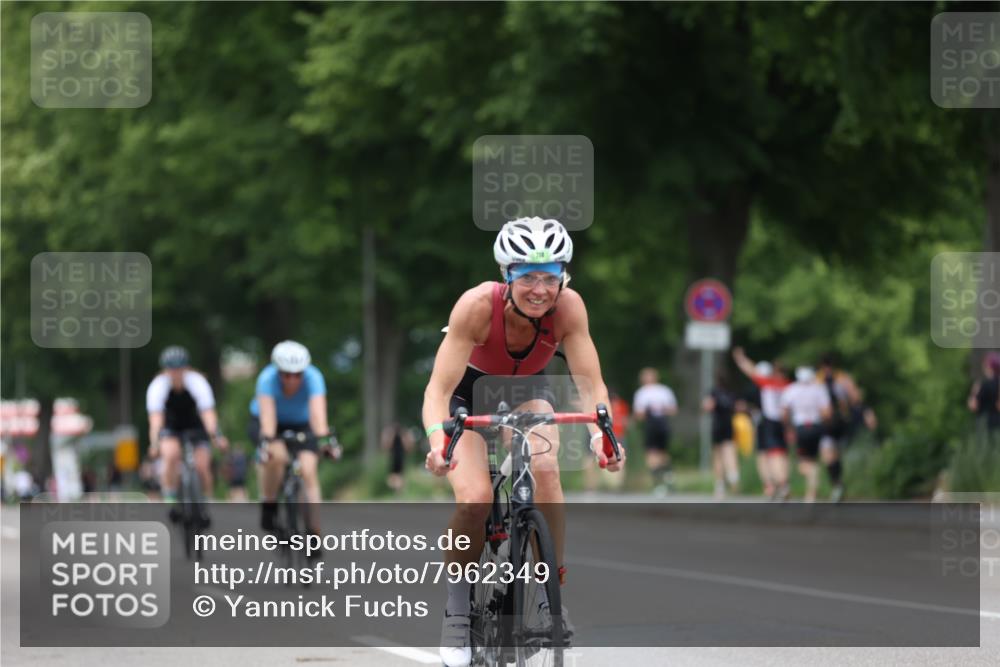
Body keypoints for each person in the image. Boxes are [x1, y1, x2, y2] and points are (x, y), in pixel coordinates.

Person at [422, 217, 625, 667]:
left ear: (563, 277)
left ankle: (551, 593)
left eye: (549, 278)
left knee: (548, 469)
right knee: (474, 499)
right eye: (527, 277)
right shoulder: (475, 306)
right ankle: (457, 610)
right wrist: (439, 441)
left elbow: (591, 384)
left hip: (528, 391)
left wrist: (601, 436)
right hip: (467, 396)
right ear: (506, 276)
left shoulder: (569, 308)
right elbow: (436, 391)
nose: (539, 289)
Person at [250, 340, 336, 544]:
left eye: (298, 374)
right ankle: (269, 504)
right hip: (269, 423)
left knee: (308, 469)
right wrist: (268, 442)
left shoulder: (314, 377)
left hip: (302, 424)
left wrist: (325, 441)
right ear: (277, 370)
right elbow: (268, 420)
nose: (292, 380)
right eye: (286, 374)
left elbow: (318, 416)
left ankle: (314, 531)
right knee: (277, 457)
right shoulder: (266, 379)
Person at [146, 345, 228, 525]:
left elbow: (208, 414)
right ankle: (171, 498)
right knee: (170, 455)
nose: (176, 373)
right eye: (172, 369)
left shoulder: (197, 382)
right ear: (166, 370)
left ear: (186, 368)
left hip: (195, 424)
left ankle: (205, 501)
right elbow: (156, 420)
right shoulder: (158, 386)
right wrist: (154, 444)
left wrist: (216, 436)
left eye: (179, 369)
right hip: (171, 425)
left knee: (202, 465)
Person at [732, 348, 791, 500]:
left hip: (768, 421)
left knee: (771, 455)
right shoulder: (787, 384)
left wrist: (741, 358)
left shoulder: (767, 383)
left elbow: (751, 371)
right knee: (782, 454)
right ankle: (781, 483)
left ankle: (778, 484)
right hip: (783, 422)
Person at [779, 366, 832, 502]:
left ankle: (811, 491)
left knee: (803, 464)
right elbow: (827, 413)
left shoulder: (791, 389)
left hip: (801, 428)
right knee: (812, 461)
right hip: (816, 426)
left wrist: (788, 427)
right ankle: (811, 493)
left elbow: (784, 412)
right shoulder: (819, 389)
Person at [817, 354, 860, 501]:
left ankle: (837, 484)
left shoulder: (818, 380)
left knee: (830, 455)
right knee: (832, 455)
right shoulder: (842, 378)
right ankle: (838, 484)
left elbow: (855, 397)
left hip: (832, 423)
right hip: (838, 422)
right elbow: (855, 397)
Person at [632, 367, 678, 495]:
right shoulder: (645, 392)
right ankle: (667, 478)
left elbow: (673, 410)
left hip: (658, 424)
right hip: (656, 424)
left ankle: (660, 482)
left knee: (655, 455)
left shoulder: (659, 391)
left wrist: (657, 409)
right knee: (658, 454)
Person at [702, 369, 740, 498]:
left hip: (717, 426)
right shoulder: (731, 393)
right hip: (729, 425)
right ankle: (733, 477)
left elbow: (707, 407)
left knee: (718, 456)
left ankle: (720, 485)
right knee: (730, 452)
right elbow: (737, 408)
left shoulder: (713, 392)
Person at [967, 352, 1000, 439]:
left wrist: (974, 392)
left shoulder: (984, 385)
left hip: (985, 424)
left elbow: (973, 406)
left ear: (989, 367)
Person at [382, 422, 415, 493]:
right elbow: (408, 447)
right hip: (397, 457)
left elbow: (387, 446)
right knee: (395, 477)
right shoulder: (401, 435)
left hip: (396, 457)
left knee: (394, 476)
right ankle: (399, 488)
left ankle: (399, 489)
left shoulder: (397, 436)